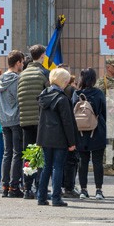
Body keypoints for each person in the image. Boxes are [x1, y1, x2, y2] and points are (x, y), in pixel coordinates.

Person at [36, 68, 78, 206]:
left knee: (46, 167)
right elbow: (68, 122)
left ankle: (41, 197)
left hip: (45, 137)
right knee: (58, 167)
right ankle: (56, 197)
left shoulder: (43, 96)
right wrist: (72, 142)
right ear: (63, 82)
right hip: (59, 138)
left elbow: (40, 119)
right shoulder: (62, 98)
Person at [16, 45, 49, 198]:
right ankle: (40, 187)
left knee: (29, 155)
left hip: (24, 120)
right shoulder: (43, 73)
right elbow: (49, 96)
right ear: (42, 56)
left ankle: (27, 188)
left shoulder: (22, 74)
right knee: (40, 155)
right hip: (40, 120)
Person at [74, 67, 108, 200]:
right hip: (97, 131)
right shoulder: (99, 93)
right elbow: (104, 112)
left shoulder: (76, 94)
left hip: (81, 132)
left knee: (83, 161)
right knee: (98, 162)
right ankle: (99, 191)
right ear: (93, 79)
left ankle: (83, 190)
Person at [0, 50, 24, 197]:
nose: (23, 65)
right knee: (17, 153)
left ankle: (5, 186)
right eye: (22, 62)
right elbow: (19, 99)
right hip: (16, 119)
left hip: (3, 120)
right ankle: (14, 186)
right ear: (18, 62)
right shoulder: (16, 79)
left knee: (7, 153)